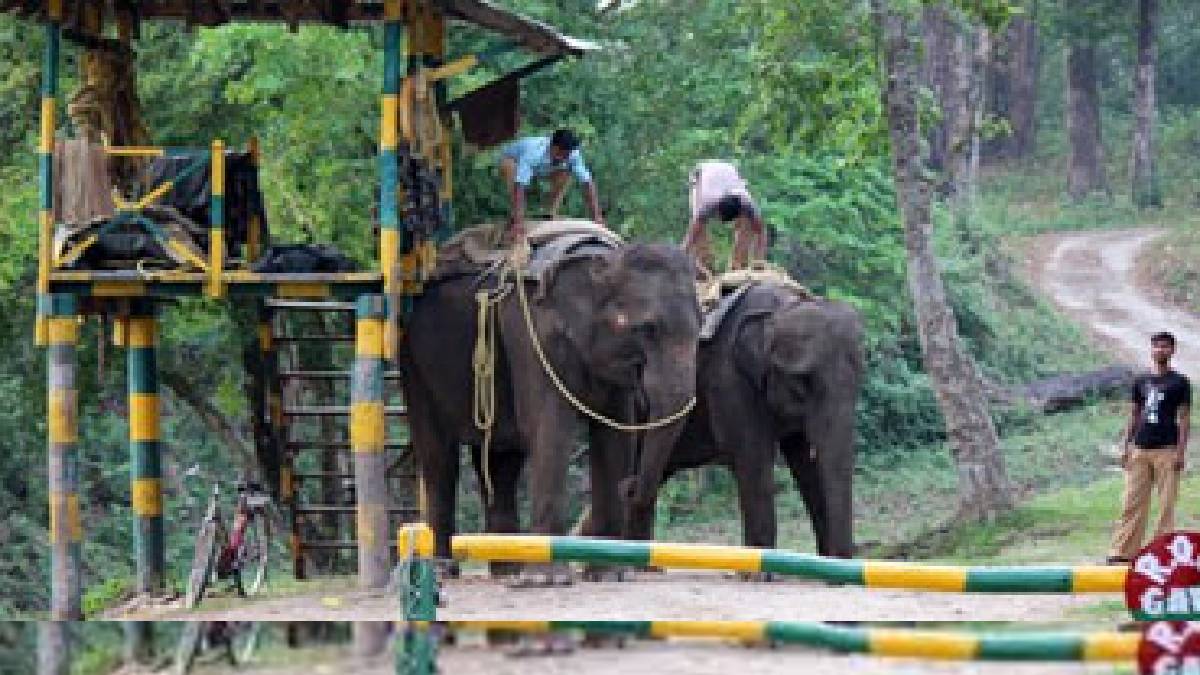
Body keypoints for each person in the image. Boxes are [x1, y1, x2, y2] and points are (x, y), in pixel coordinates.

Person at [1107, 332, 1191, 565]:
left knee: (1166, 505)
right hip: (1140, 448)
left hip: (1167, 449)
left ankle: (1162, 553)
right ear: (1151, 350)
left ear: (1172, 351)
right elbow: (1134, 414)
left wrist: (1181, 453)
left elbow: (1184, 418)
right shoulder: (1141, 381)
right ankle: (1123, 551)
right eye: (1156, 347)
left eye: (1165, 347)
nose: (1160, 351)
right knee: (1132, 502)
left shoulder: (1180, 382)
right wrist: (1126, 446)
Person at [499, 129, 604, 240]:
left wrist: (597, 216)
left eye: (566, 156)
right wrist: (518, 222)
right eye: (560, 154)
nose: (563, 158)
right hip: (513, 161)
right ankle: (515, 216)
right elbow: (519, 186)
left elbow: (587, 183)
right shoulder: (533, 151)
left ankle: (549, 211)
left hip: (544, 168)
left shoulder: (573, 154)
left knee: (566, 171)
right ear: (552, 147)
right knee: (511, 169)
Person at [681, 160, 767, 273]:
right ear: (717, 210)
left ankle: (738, 265)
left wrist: (759, 261)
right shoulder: (707, 203)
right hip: (701, 175)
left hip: (728, 173)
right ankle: (705, 266)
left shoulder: (747, 203)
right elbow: (691, 235)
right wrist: (680, 255)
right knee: (699, 231)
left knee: (747, 226)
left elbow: (761, 232)